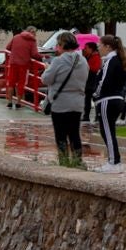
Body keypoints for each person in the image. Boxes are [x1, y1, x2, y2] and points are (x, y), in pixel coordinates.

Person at [42, 32, 89, 166]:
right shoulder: (83, 60)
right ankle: (78, 161)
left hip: (60, 103)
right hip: (78, 103)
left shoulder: (58, 60)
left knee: (61, 135)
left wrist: (47, 69)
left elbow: (46, 79)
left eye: (58, 44)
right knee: (75, 133)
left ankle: (63, 161)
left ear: (62, 45)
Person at [96, 34, 126, 173]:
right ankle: (116, 161)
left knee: (107, 132)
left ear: (108, 47)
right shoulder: (118, 60)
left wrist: (96, 94)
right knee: (109, 131)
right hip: (116, 99)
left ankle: (113, 162)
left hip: (107, 100)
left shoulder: (111, 60)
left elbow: (104, 81)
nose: (98, 48)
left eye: (100, 45)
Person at [4, 26, 39, 109]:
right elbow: (34, 54)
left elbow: (8, 47)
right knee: (21, 83)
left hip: (13, 63)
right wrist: (43, 57)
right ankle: (19, 102)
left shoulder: (16, 37)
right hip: (24, 64)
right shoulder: (32, 41)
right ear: (33, 33)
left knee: (11, 82)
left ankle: (9, 102)